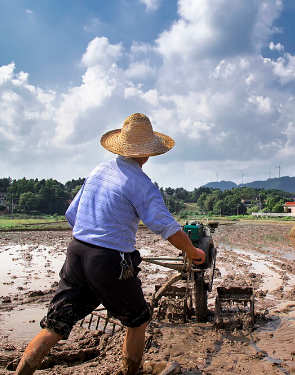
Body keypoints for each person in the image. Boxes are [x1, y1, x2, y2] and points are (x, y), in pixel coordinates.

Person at [15, 113, 206, 375]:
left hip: (77, 252)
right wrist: (193, 251)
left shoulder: (99, 171)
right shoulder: (142, 185)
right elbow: (168, 228)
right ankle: (131, 372)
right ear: (149, 153)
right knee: (138, 319)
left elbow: (72, 213)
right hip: (109, 261)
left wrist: (91, 238)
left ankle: (22, 372)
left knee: (55, 326)